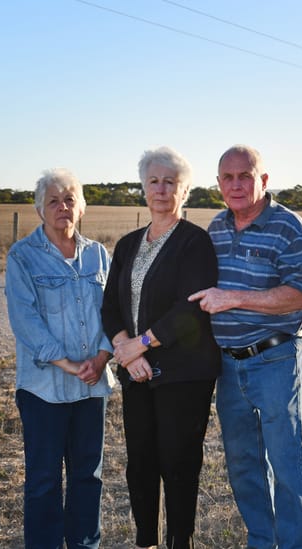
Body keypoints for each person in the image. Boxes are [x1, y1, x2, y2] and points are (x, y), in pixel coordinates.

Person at [189, 145, 302, 548]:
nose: (237, 184)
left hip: (275, 359)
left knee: (285, 464)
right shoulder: (214, 228)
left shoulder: (287, 226)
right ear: (218, 185)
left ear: (264, 179)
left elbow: (300, 293)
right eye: (227, 177)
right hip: (228, 366)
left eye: (246, 175)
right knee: (243, 465)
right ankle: (262, 541)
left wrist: (235, 298)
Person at [101, 146, 221, 549]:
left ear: (184, 191)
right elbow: (110, 306)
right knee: (140, 464)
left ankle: (179, 541)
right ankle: (145, 541)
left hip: (184, 374)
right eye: (154, 181)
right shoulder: (128, 244)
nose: (161, 189)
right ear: (143, 188)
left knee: (179, 462)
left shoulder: (195, 243)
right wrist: (125, 349)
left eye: (171, 182)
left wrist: (141, 345)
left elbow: (190, 311)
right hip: (137, 374)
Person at [5, 168, 116, 549]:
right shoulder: (22, 257)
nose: (62, 207)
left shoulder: (99, 255)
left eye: (69, 199)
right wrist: (68, 363)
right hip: (43, 389)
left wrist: (102, 357)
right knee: (44, 479)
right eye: (53, 200)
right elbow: (25, 320)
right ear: (40, 210)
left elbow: (115, 313)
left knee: (89, 475)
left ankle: (85, 544)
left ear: (80, 207)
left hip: (91, 387)